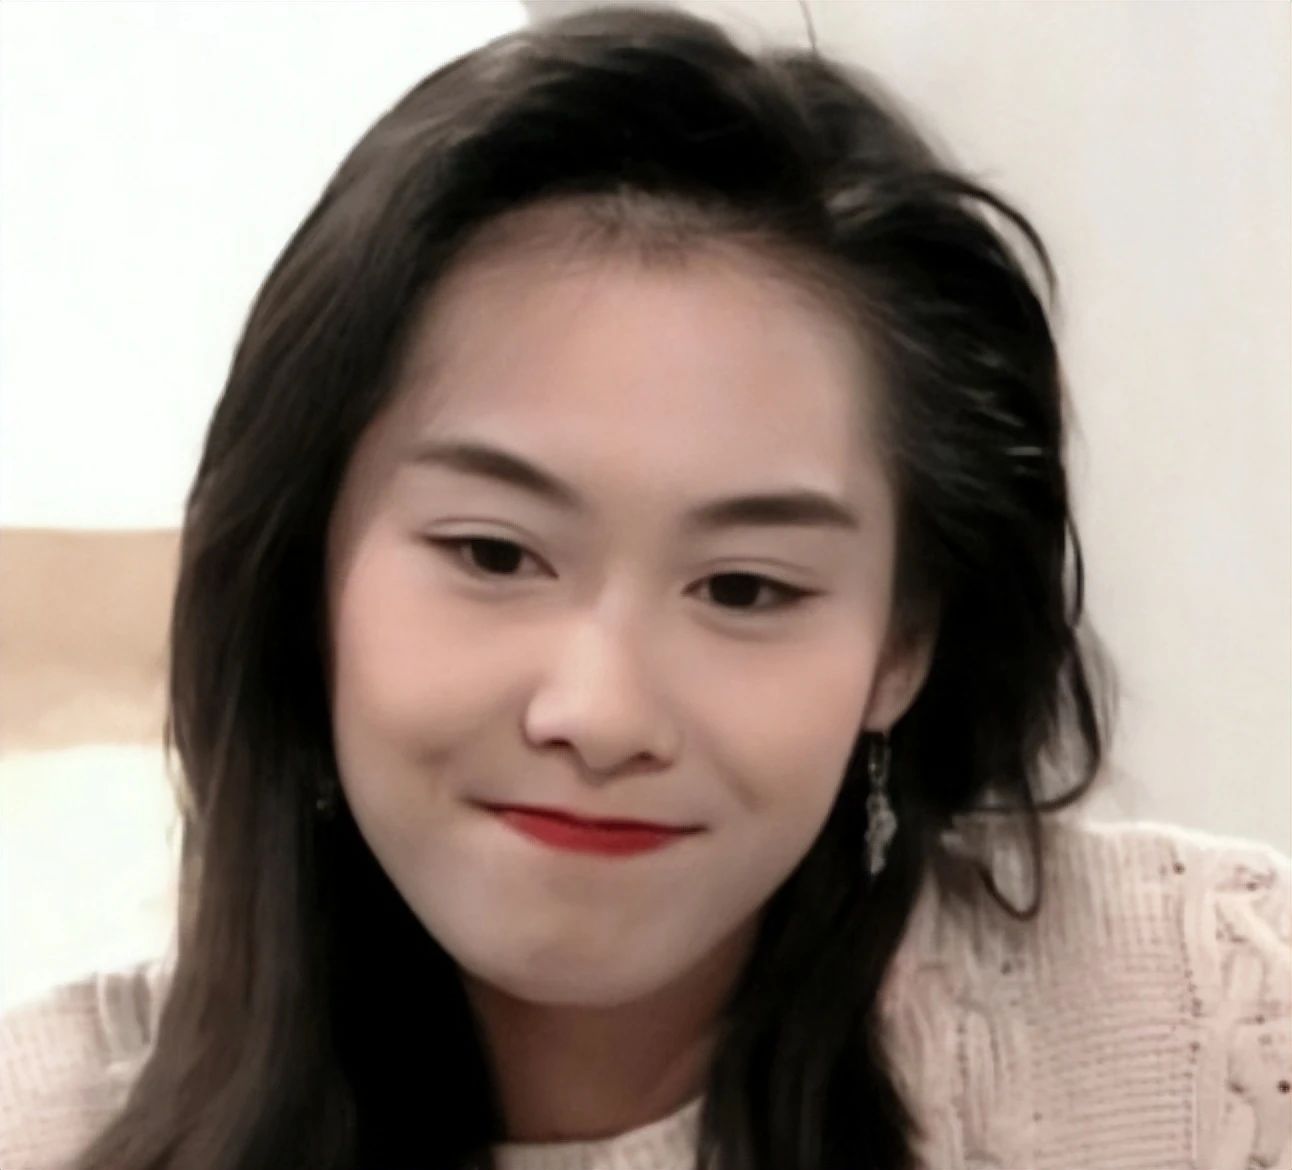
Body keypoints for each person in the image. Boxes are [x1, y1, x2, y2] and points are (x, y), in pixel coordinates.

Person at [2, 5, 1288, 1169]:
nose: (601, 714)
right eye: (493, 555)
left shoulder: (1212, 1030)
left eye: (743, 589)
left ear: (901, 644)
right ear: (302, 572)